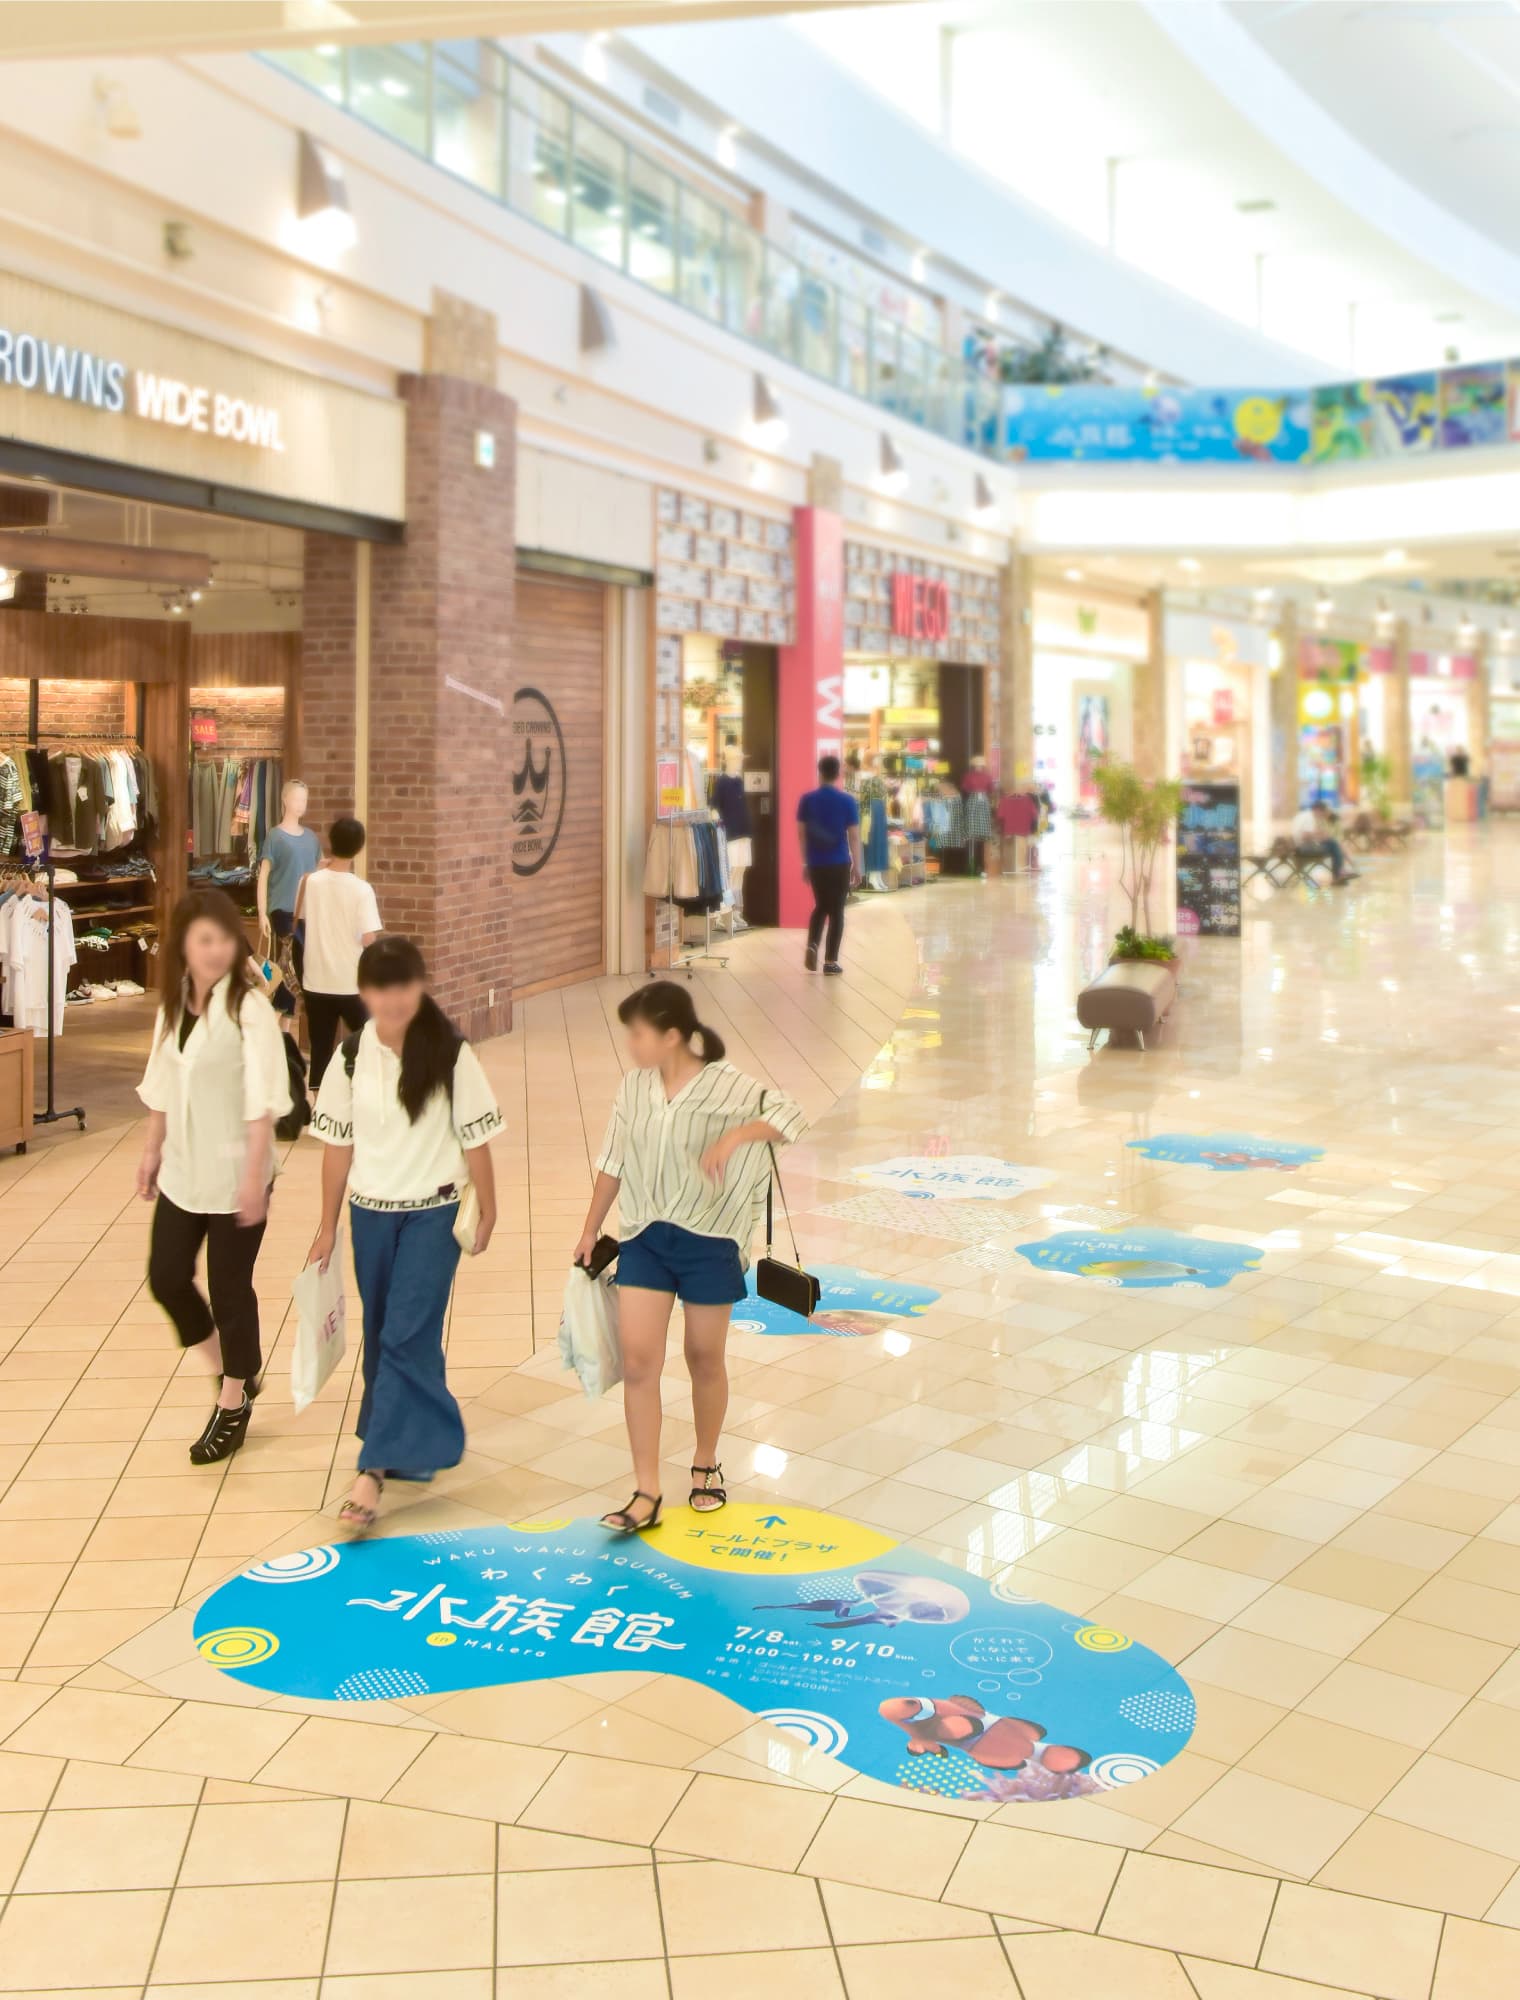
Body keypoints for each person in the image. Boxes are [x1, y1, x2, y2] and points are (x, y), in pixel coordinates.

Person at [574, 981, 806, 1534]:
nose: (631, 1045)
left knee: (704, 1356)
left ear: (672, 1036)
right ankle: (646, 1491)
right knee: (638, 1363)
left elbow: (790, 1115)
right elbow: (612, 1159)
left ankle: (705, 1464)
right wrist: (589, 1228)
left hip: (710, 1240)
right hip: (646, 1236)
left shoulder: (728, 1086)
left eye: (639, 1034)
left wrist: (735, 1139)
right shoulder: (633, 1089)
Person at [307, 936, 503, 1534]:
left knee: (404, 1332)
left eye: (403, 986)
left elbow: (476, 1138)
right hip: (369, 1214)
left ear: (419, 987)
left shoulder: (449, 1053)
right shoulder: (347, 1056)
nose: (392, 999)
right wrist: (324, 1225)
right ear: (363, 993)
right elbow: (337, 1146)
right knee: (385, 1332)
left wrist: (488, 1209)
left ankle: (370, 1471)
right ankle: (420, 1438)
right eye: (379, 988)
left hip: (433, 1216)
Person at [136, 888, 292, 1464]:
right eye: (205, 940)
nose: (217, 950)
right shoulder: (175, 1000)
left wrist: (253, 1176)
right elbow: (162, 1081)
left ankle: (233, 1403)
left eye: (225, 939)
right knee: (168, 1277)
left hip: (236, 1171)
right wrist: (152, 1150)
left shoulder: (247, 1005)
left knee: (230, 1290)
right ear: (183, 943)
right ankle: (234, 1372)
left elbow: (263, 1099)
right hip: (184, 1165)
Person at [296, 817, 382, 1089]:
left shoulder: (310, 882)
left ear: (330, 843)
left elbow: (298, 917)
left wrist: (316, 871)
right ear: (359, 848)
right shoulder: (361, 889)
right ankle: (357, 1097)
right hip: (350, 982)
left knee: (320, 1046)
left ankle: (321, 1110)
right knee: (364, 1043)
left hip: (315, 980)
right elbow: (369, 938)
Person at [796, 754, 862, 975]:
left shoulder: (807, 799)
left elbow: (802, 834)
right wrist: (858, 865)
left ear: (819, 772)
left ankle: (813, 944)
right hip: (839, 862)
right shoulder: (847, 801)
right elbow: (853, 836)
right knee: (837, 911)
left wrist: (805, 861)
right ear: (838, 774)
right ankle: (830, 961)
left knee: (821, 905)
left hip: (816, 863)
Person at [1292, 801, 1358, 886]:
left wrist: (1321, 836)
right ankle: (1339, 873)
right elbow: (1305, 836)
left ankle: (1340, 873)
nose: (1322, 815)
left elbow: (1311, 835)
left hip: (1305, 846)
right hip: (1304, 848)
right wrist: (1321, 835)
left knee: (1333, 843)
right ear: (1317, 810)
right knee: (1334, 844)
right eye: (1322, 812)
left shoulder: (1305, 815)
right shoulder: (1310, 817)